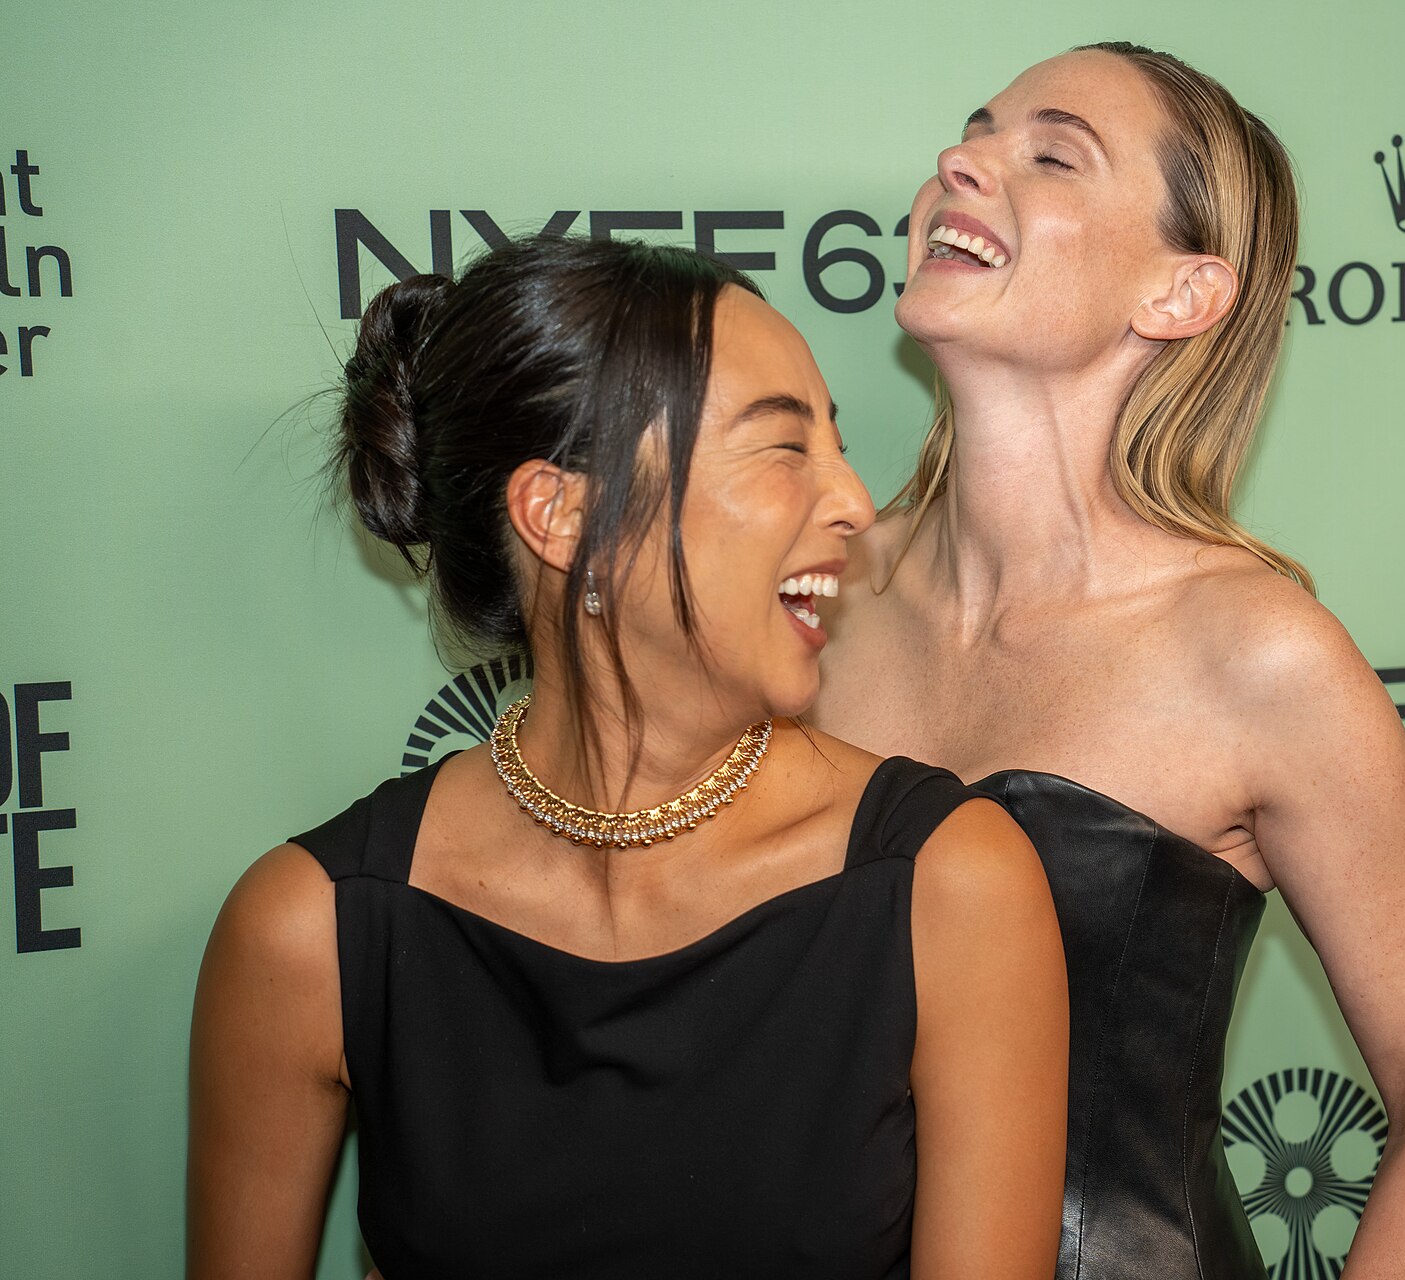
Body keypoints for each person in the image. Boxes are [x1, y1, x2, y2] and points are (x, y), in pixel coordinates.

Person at [187, 237, 1069, 1280]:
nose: (853, 504)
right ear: (561, 516)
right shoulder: (311, 930)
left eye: (833, 444)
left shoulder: (949, 884)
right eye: (784, 448)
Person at [813, 42, 1405, 1280]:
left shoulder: (1261, 655)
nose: (958, 162)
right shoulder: (820, 599)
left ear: (1182, 295)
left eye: (1050, 154)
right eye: (973, 134)